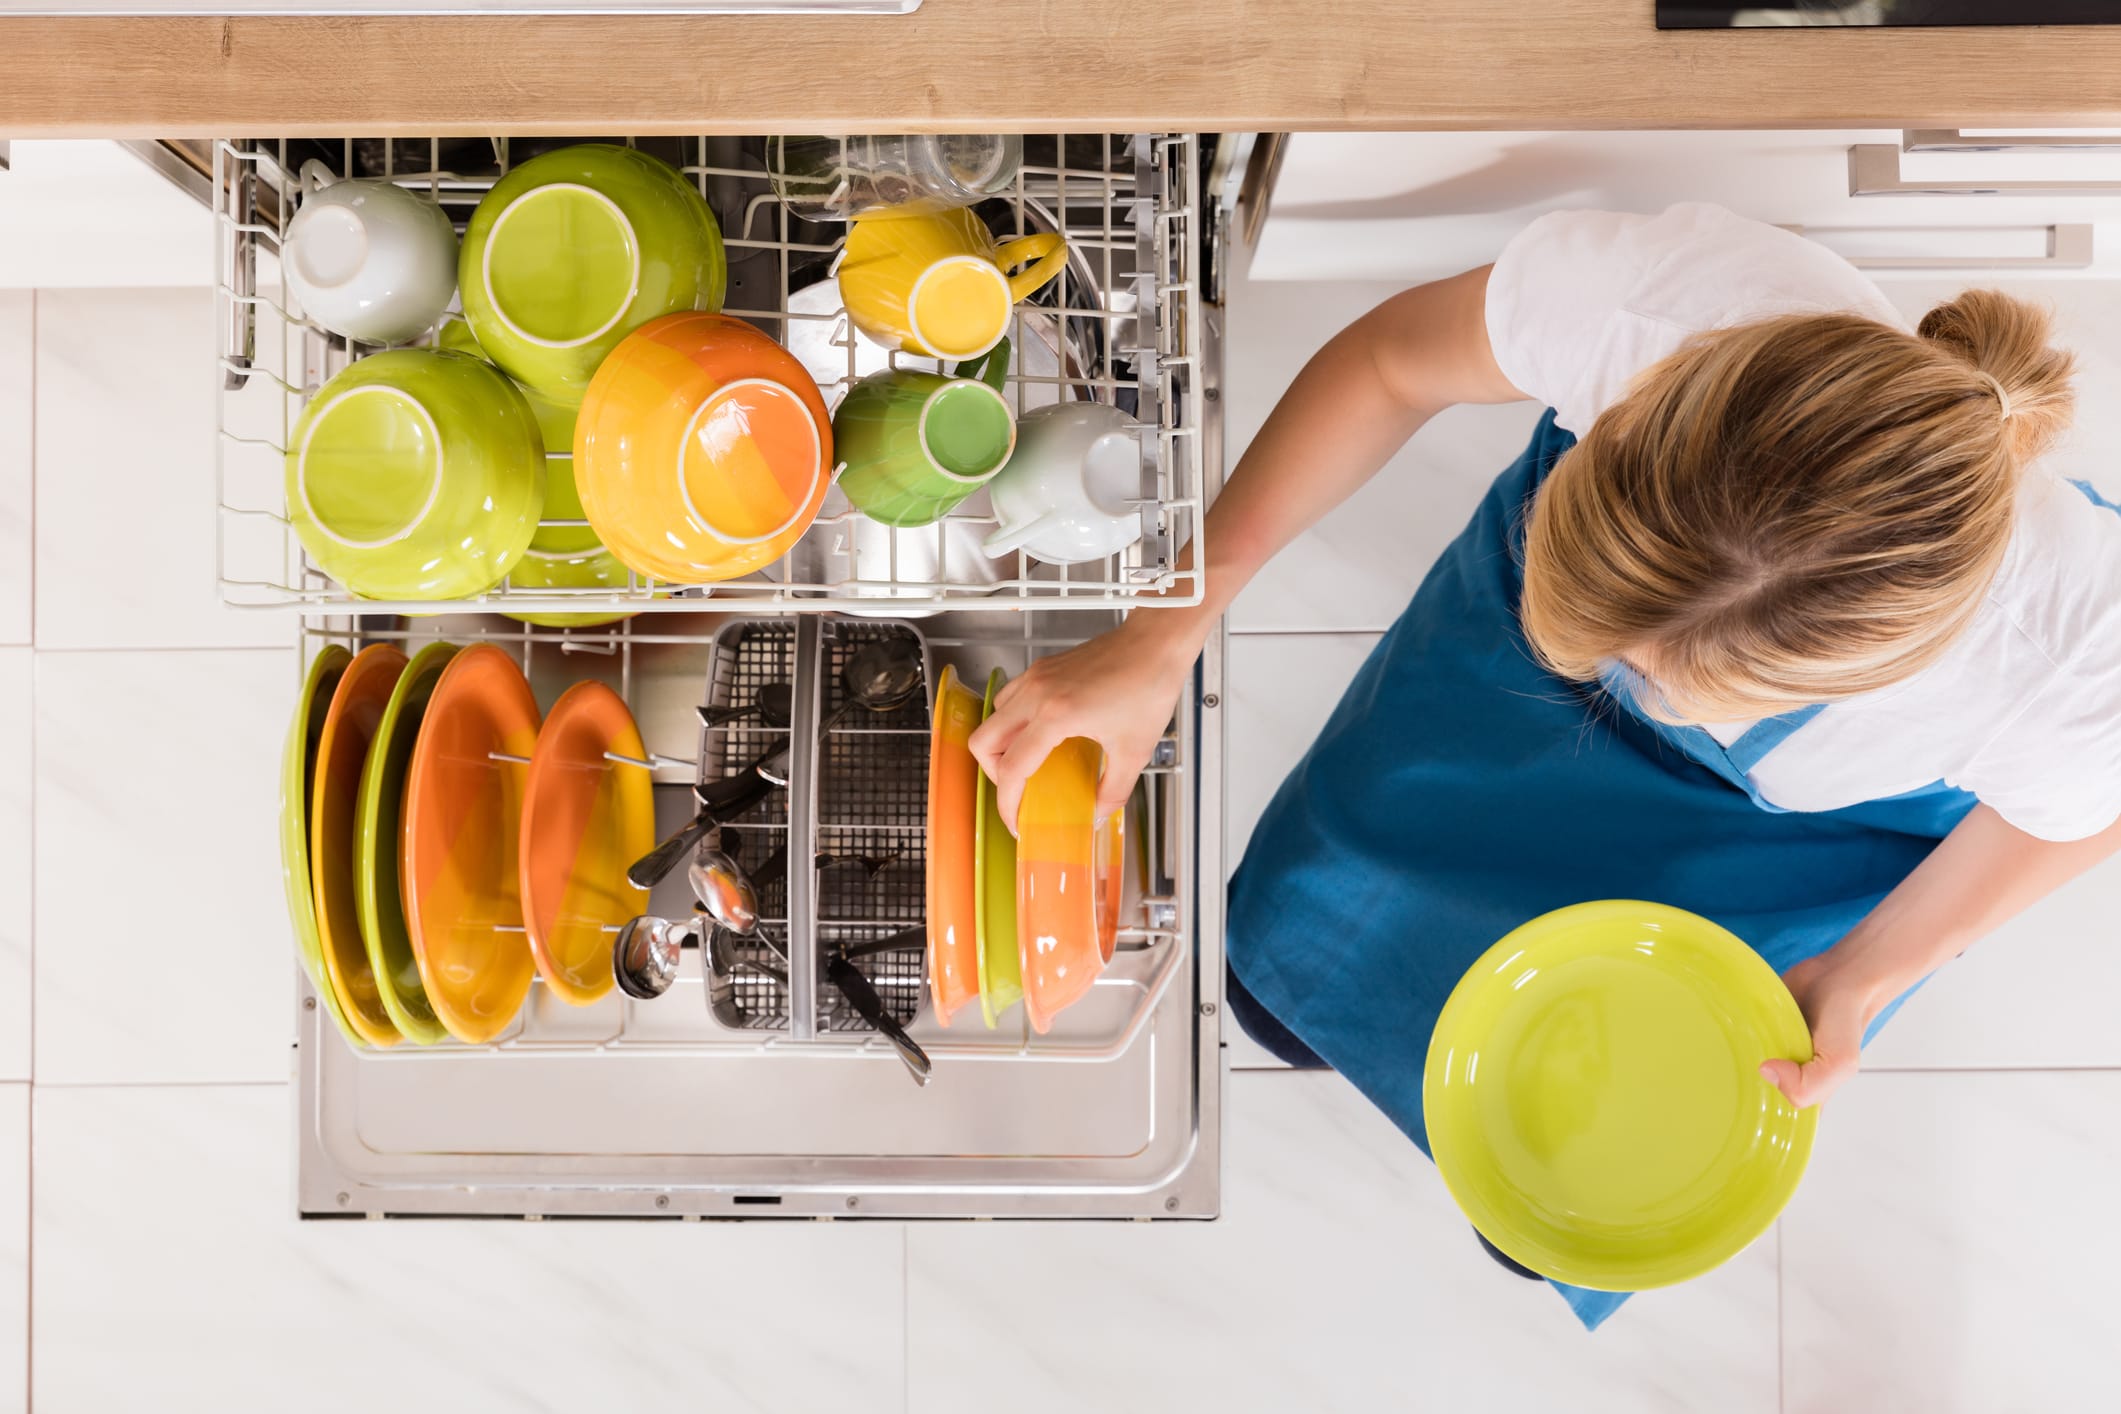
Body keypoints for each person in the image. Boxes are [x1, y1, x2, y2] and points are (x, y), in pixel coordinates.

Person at [968, 203, 2121, 1326]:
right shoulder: (1663, 303)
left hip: (1793, 829)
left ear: (1871, 674)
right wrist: (1165, 629)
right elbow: (1387, 366)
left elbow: (2081, 815)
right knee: (1278, 984)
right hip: (1517, 671)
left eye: (1660, 677)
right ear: (1629, 430)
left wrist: (1862, 971)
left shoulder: (2070, 661)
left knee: (1564, 1173)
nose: (1625, 679)